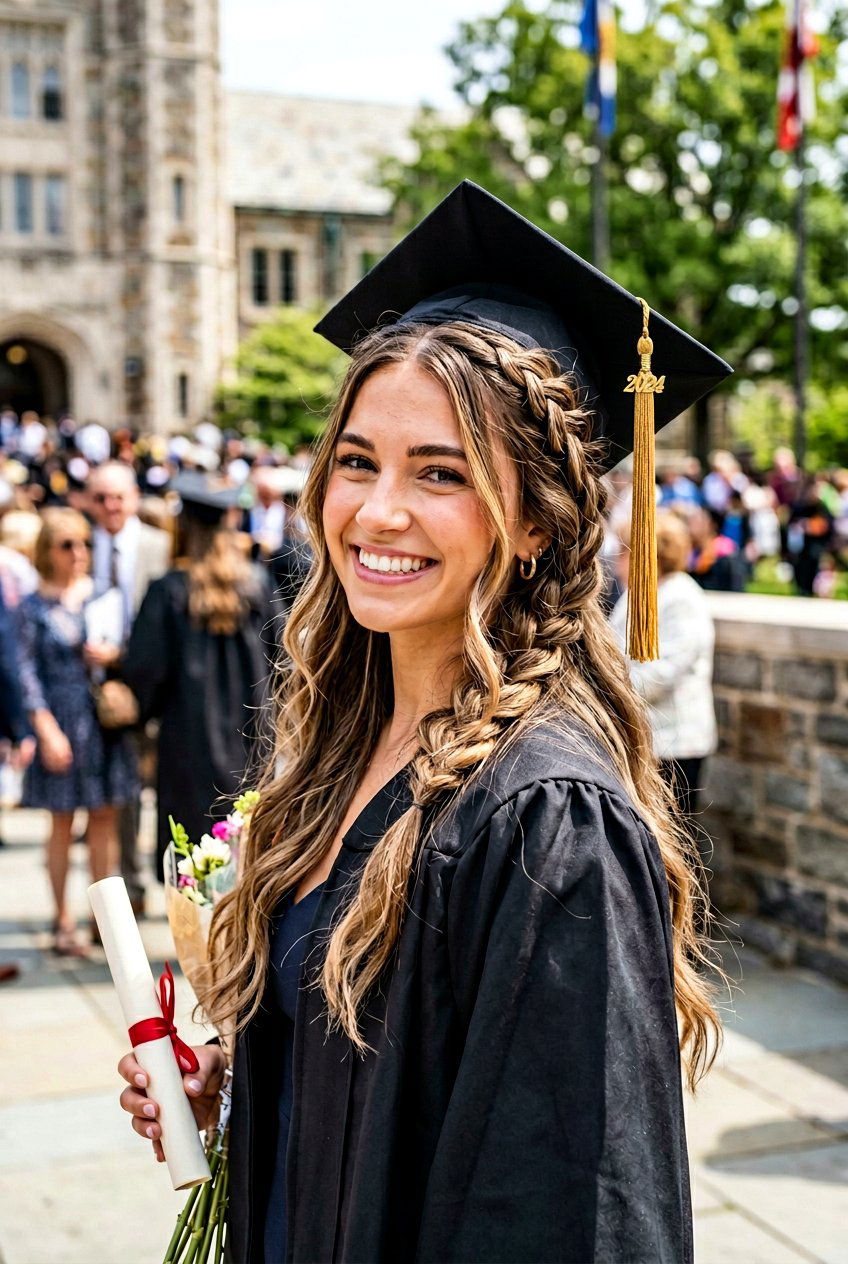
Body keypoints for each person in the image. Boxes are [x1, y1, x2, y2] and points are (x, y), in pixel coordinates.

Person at [117, 182, 730, 1263]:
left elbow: (568, 1222)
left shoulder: (549, 822)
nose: (377, 510)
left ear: (539, 520)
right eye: (357, 460)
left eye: (438, 472)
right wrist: (250, 1084)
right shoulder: (345, 754)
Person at [123, 473, 273, 879]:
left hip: (188, 747)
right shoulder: (258, 586)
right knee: (245, 860)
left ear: (184, 526)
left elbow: (145, 672)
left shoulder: (169, 591)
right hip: (253, 745)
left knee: (195, 868)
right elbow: (285, 665)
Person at [16, 508, 137, 955]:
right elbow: (24, 673)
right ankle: (61, 919)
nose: (78, 553)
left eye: (83, 543)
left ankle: (102, 923)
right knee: (62, 822)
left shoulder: (102, 595)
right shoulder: (32, 606)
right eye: (67, 544)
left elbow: (130, 650)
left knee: (105, 820)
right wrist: (45, 730)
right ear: (47, 551)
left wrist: (112, 655)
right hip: (60, 720)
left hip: (101, 721)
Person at [88, 461, 171, 913]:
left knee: (164, 782)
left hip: (156, 682)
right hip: (107, 688)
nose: (110, 507)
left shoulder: (159, 545)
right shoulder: (82, 545)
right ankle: (131, 885)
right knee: (121, 792)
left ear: (134, 498)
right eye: (100, 498)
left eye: (117, 497)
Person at [610, 512, 717, 819]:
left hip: (674, 744)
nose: (617, 560)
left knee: (674, 841)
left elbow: (661, 674)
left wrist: (605, 686)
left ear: (646, 553)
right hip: (648, 740)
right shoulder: (637, 595)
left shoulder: (681, 599)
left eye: (623, 551)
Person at [688, 506, 744, 591]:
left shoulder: (725, 551)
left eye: (697, 522)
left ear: (712, 525)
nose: (691, 526)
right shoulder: (693, 552)